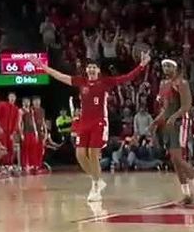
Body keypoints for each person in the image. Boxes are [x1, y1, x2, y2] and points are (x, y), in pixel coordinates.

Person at [39, 52, 149, 202]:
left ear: (98, 70)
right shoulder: (81, 82)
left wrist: (141, 66)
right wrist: (42, 67)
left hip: (99, 123)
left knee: (92, 154)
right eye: (89, 67)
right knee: (79, 155)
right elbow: (59, 76)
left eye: (94, 67)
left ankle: (95, 187)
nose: (91, 70)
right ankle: (97, 179)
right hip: (84, 123)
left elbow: (126, 77)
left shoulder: (105, 82)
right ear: (86, 70)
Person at [153, 59, 194, 204]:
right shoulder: (163, 85)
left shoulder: (182, 83)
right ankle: (186, 194)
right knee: (174, 160)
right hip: (169, 123)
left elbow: (186, 106)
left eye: (169, 65)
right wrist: (156, 121)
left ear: (175, 67)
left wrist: (174, 117)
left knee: (178, 157)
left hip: (181, 121)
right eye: (164, 65)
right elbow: (165, 109)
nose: (166, 68)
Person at [0, 92, 21, 170]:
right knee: (2, 148)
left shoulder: (16, 109)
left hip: (10, 132)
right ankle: (2, 165)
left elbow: (16, 121)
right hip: (2, 130)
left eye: (14, 97)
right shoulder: (2, 104)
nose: (12, 98)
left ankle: (9, 165)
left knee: (10, 149)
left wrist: (13, 132)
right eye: (11, 97)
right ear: (8, 98)